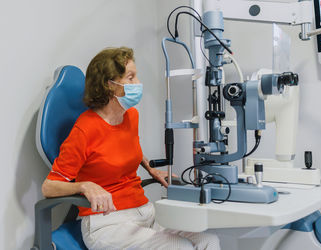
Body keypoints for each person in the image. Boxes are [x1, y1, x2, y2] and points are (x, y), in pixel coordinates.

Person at [41, 47, 221, 250]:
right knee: (180, 247)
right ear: (109, 85)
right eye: (131, 78)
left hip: (144, 212)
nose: (138, 84)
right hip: (107, 223)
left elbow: (125, 146)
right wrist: (84, 186)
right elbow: (49, 186)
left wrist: (148, 167)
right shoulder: (85, 130)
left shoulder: (130, 116)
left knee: (209, 241)